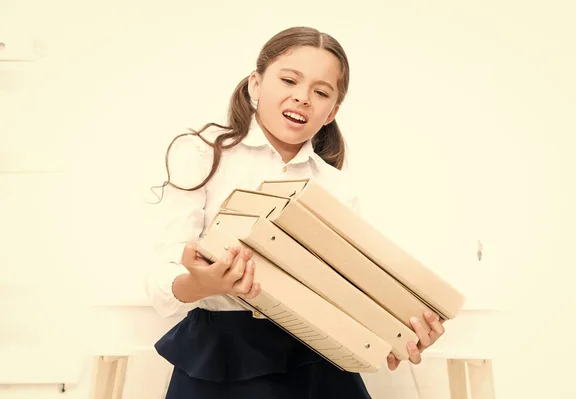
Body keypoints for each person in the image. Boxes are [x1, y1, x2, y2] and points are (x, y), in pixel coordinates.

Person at [146, 26, 446, 399]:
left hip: (316, 360)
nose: (303, 98)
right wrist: (208, 283)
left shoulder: (336, 186)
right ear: (255, 85)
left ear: (331, 112)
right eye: (289, 80)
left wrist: (399, 333)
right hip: (221, 355)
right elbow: (161, 279)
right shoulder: (202, 155)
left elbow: (350, 289)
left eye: (321, 92)